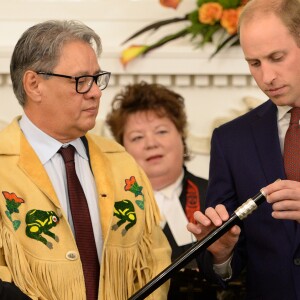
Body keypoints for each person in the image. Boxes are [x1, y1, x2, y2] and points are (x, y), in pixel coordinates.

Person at [0, 20, 171, 300]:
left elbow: (154, 260)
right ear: (34, 84)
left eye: (97, 78)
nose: (95, 92)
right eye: (81, 81)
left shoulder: (121, 163)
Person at [187, 0, 300, 299]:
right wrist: (222, 253)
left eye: (277, 57)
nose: (267, 77)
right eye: (255, 63)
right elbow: (224, 267)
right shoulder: (231, 140)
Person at [106, 81, 222, 299]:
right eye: (137, 137)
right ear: (123, 148)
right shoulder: (107, 204)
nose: (151, 143)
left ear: (181, 136)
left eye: (161, 131)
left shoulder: (214, 196)